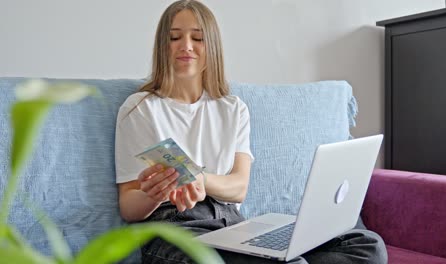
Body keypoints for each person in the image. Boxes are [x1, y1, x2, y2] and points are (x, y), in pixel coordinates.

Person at [115, 1, 388, 263]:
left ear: (211, 46)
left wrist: (200, 179)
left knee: (368, 247)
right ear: (163, 45)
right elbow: (129, 206)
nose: (186, 46)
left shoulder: (233, 109)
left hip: (231, 222)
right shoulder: (140, 109)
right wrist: (153, 195)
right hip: (175, 228)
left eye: (197, 38)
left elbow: (238, 188)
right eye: (174, 37)